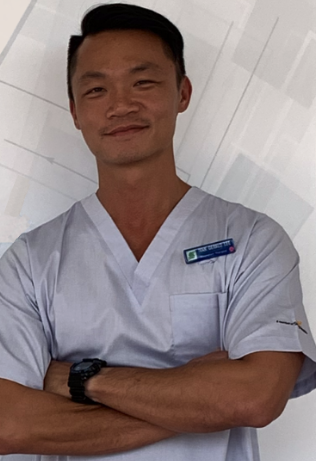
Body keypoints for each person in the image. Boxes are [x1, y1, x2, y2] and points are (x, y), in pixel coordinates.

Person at [0, 3, 316, 460]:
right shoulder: (30, 262)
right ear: (74, 111)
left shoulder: (253, 240)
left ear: (182, 92)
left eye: (143, 81)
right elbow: (10, 423)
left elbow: (254, 397)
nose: (121, 104)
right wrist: (199, 397)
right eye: (95, 89)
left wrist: (79, 378)